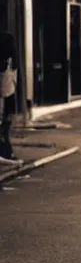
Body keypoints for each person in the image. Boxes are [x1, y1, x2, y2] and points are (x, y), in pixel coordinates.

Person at [0, 32, 22, 164]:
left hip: (5, 98)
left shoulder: (5, 63)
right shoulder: (11, 62)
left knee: (4, 129)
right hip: (8, 98)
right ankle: (7, 152)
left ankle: (6, 152)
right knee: (5, 129)